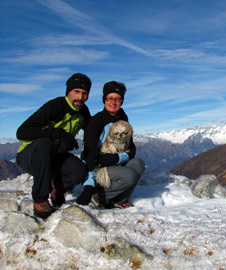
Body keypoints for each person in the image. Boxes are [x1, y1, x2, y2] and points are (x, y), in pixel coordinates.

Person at [16, 73, 92, 219]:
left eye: (84, 93)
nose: (80, 97)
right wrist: (57, 133)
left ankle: (57, 189)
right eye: (76, 92)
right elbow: (22, 132)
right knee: (45, 143)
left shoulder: (83, 112)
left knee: (78, 169)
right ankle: (40, 199)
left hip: (55, 158)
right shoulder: (55, 106)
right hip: (31, 156)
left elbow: (92, 132)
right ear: (68, 92)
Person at [76, 81, 145, 208]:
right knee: (130, 176)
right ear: (104, 100)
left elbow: (131, 148)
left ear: (122, 101)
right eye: (110, 98)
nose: (113, 102)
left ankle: (119, 200)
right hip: (98, 166)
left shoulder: (123, 118)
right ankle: (97, 196)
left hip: (113, 161)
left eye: (118, 99)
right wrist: (88, 185)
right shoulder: (96, 122)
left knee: (138, 164)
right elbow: (88, 154)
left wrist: (119, 157)